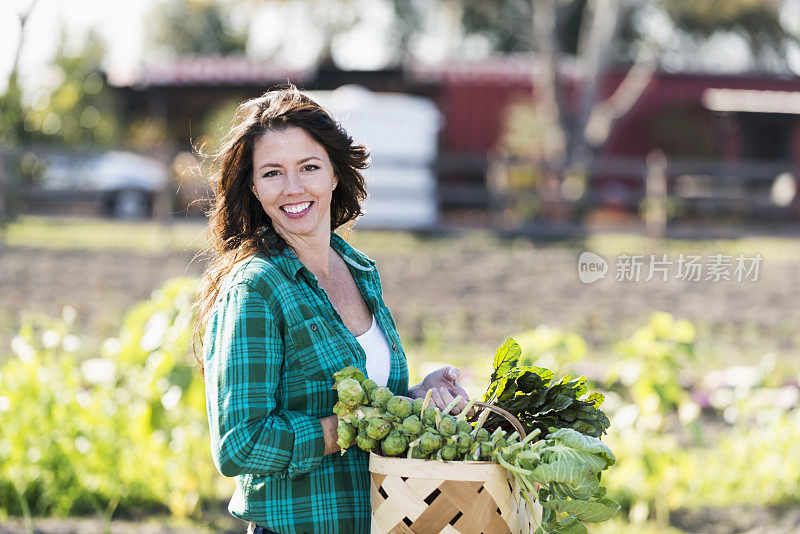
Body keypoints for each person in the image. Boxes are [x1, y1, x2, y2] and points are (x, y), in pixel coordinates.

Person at [193, 84, 472, 534]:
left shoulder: (359, 269)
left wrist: (414, 398)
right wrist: (344, 427)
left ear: (334, 174)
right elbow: (238, 445)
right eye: (272, 173)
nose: (293, 188)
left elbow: (370, 403)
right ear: (253, 186)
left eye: (308, 167)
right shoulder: (256, 288)